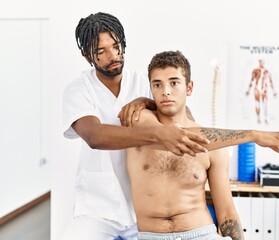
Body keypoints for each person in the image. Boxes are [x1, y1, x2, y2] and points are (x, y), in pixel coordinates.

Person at [61, 12, 210, 240]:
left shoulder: (143, 82)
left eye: (116, 46)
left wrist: (147, 102)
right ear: (86, 55)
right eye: (100, 52)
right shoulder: (79, 89)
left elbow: (183, 118)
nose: (113, 56)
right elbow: (95, 136)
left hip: (144, 210)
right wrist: (157, 134)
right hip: (97, 210)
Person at [125, 51, 279, 240]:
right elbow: (178, 136)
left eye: (174, 83)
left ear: (189, 88)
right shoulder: (140, 123)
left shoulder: (215, 147)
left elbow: (227, 213)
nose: (166, 91)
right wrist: (252, 135)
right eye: (157, 84)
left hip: (201, 234)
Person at [245, 59, 277, 124]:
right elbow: (251, 81)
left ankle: (265, 119)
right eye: (260, 62)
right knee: (257, 104)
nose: (262, 63)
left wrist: (273, 91)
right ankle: (258, 118)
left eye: (262, 62)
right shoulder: (255, 71)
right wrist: (248, 90)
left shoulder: (267, 71)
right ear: (259, 63)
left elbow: (270, 81)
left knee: (265, 104)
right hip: (257, 89)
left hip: (264, 89)